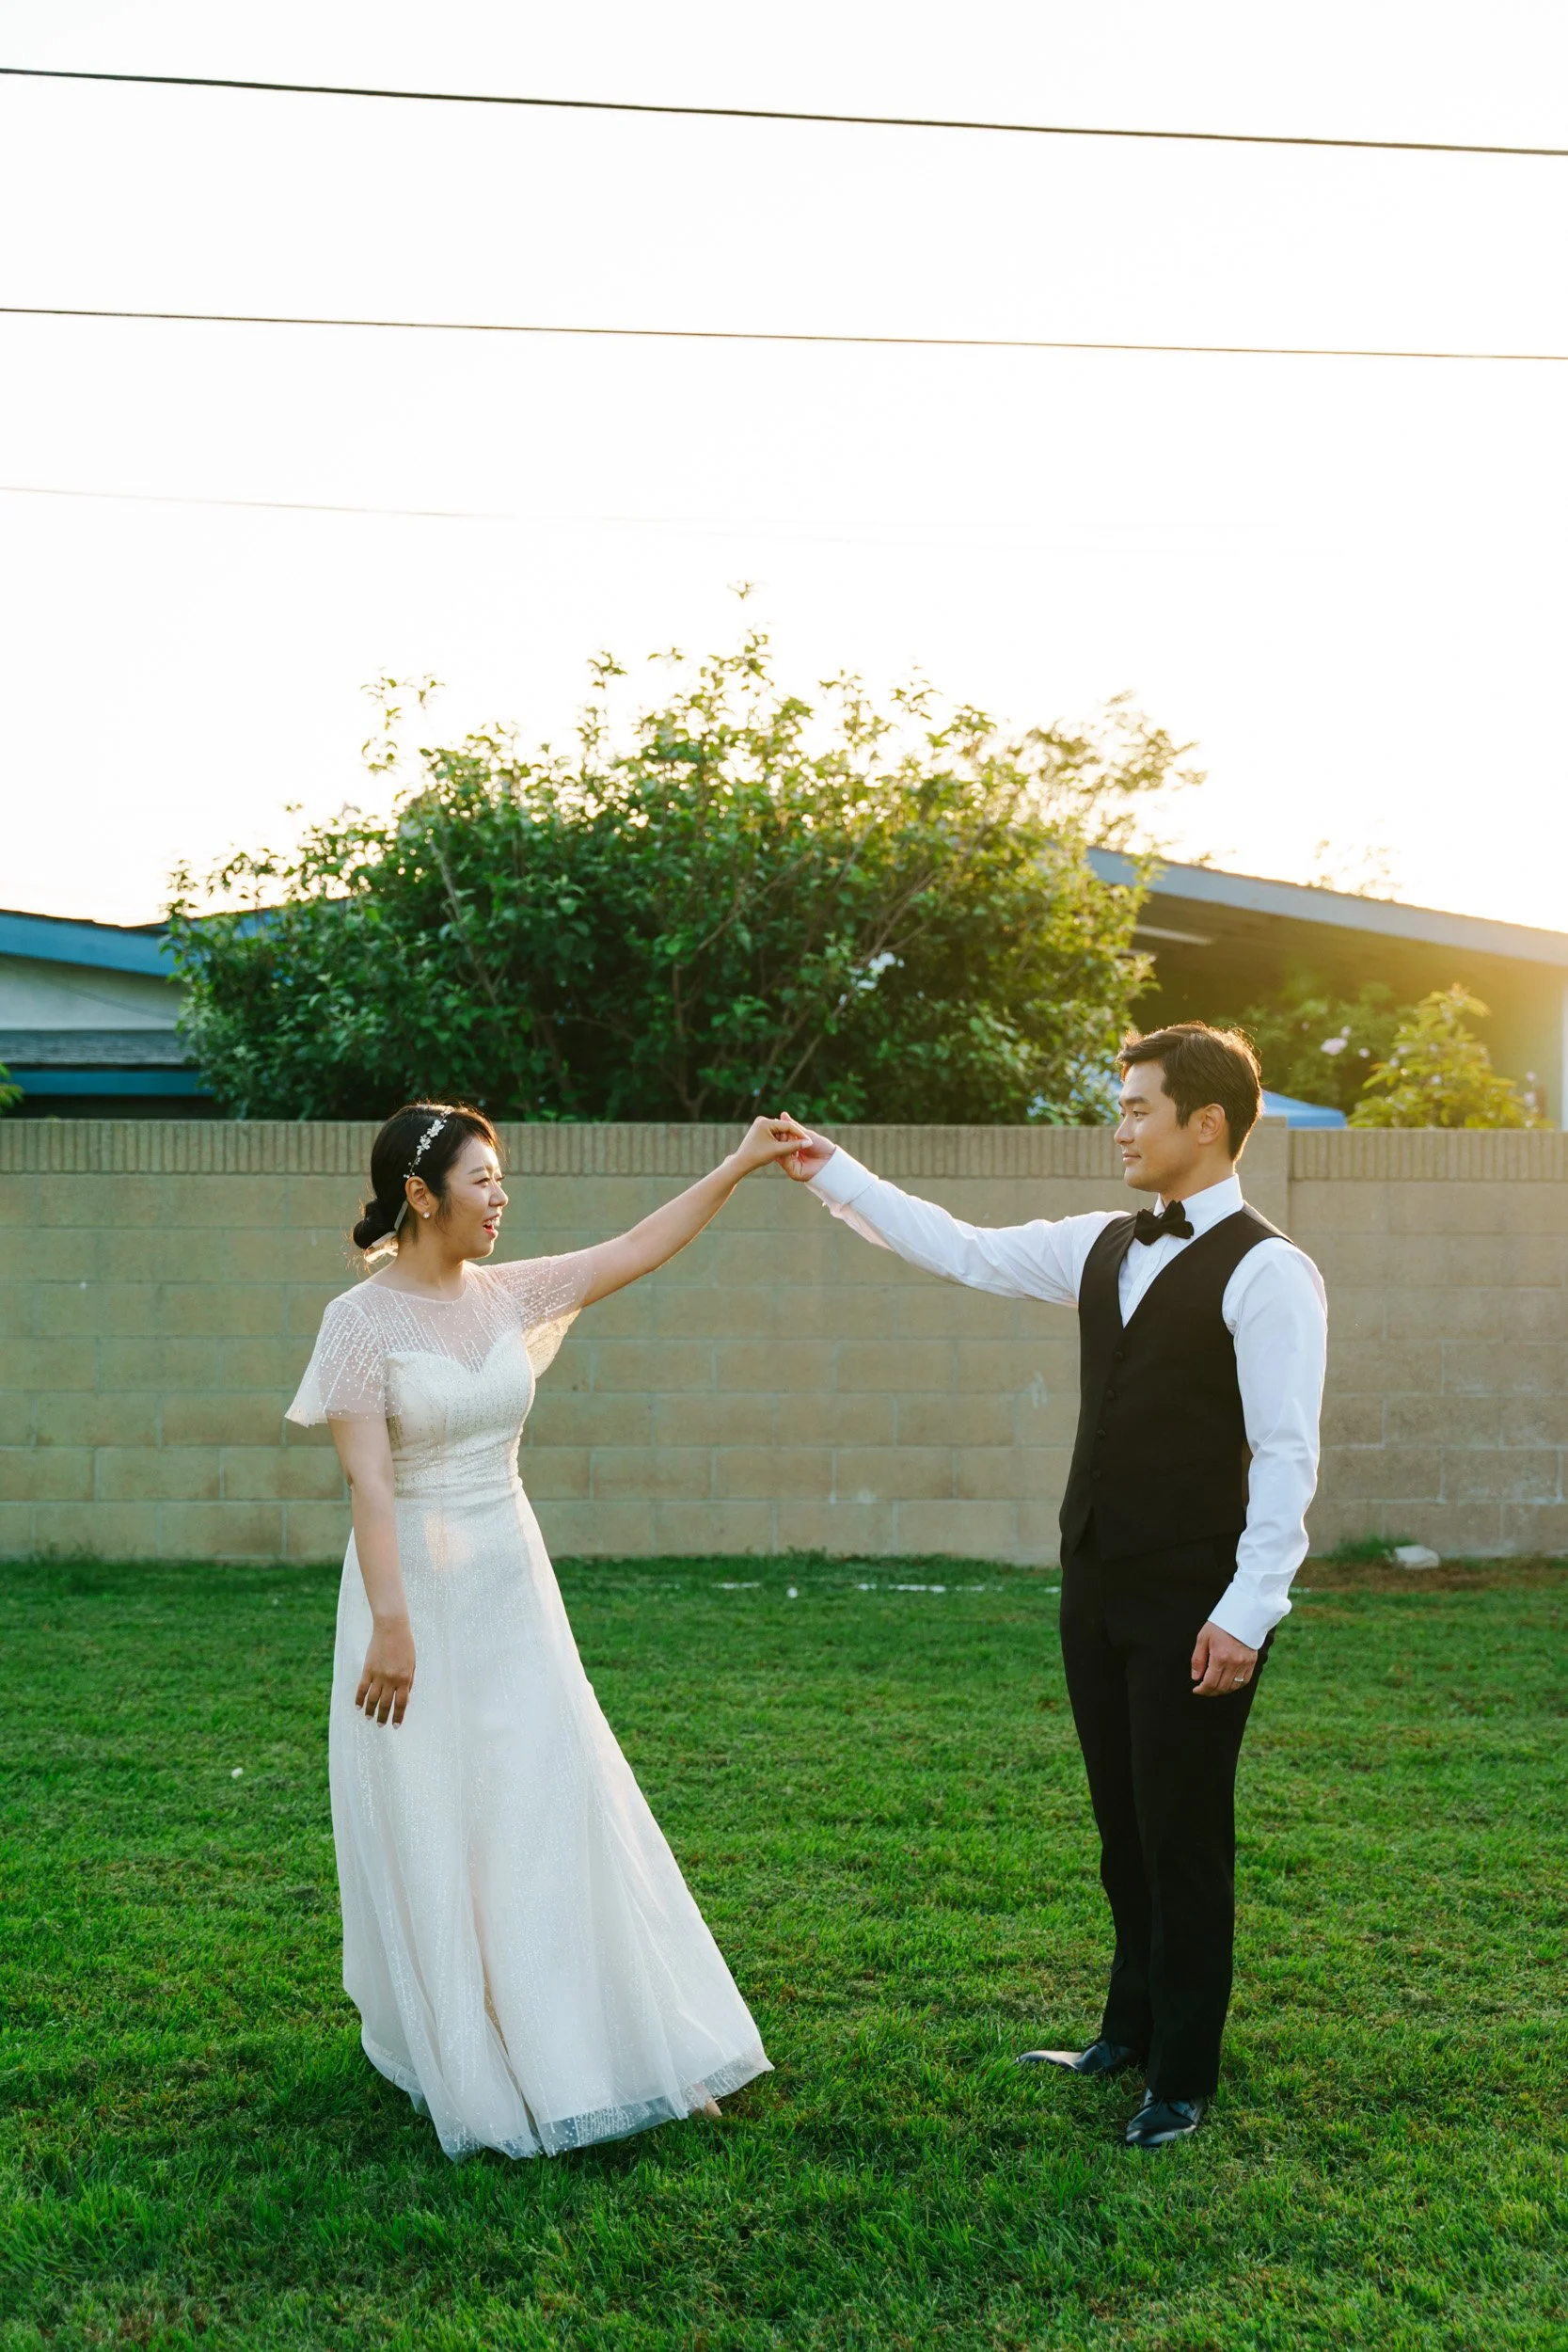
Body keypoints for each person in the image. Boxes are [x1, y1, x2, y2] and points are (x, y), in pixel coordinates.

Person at [779, 1025, 1327, 2149]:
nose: (1117, 1127)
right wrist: (829, 1168)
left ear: (1204, 1124)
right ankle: (1124, 2032)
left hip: (1197, 1599)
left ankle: (1182, 2075)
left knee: (1181, 1835)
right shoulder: (1099, 1243)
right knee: (1121, 1828)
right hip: (1095, 1582)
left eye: (1135, 1107)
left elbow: (1286, 1454)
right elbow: (960, 1248)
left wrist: (1245, 1611)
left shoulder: (1270, 1271)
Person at [287, 1099, 800, 2161]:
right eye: (480, 1180)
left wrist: (738, 1164)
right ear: (419, 1194)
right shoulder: (357, 1322)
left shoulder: (509, 1293)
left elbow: (635, 1248)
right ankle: (478, 2044)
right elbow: (369, 1486)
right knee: (443, 1814)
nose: (499, 1198)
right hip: (410, 1599)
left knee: (547, 1804)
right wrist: (392, 1625)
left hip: (513, 1590)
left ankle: (615, 2043)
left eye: (500, 1177)